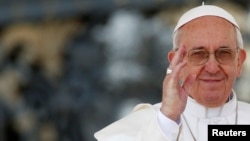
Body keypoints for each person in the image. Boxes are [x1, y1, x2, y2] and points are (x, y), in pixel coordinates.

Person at [94, 4, 250, 141]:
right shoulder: (148, 124)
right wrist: (168, 121)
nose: (212, 67)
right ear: (177, 63)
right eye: (198, 54)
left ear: (239, 62)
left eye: (223, 53)